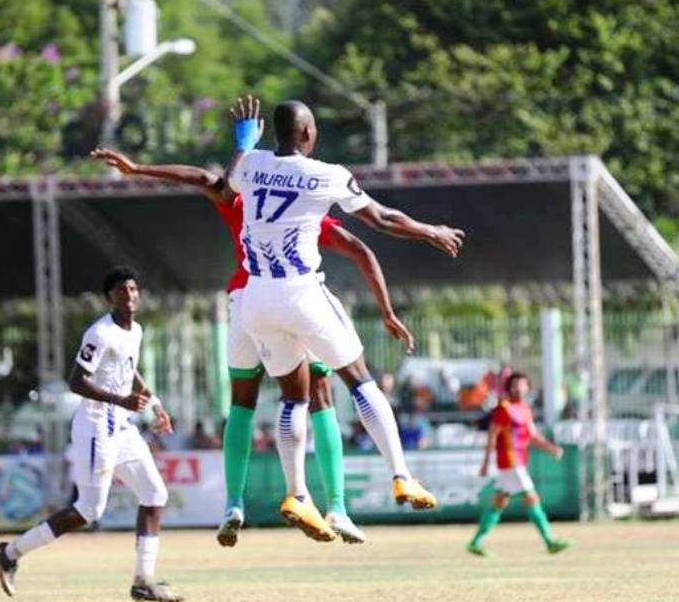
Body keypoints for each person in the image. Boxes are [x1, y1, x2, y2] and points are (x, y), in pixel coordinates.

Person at [91, 144, 418, 546]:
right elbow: (361, 247)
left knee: (242, 403)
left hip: (245, 305)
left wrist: (138, 168)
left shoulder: (240, 202)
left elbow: (201, 177)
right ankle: (336, 506)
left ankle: (233, 505)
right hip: (293, 300)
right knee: (319, 395)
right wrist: (389, 304)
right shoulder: (301, 207)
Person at [222, 95, 465, 541]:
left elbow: (229, 180)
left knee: (293, 397)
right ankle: (401, 474)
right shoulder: (328, 174)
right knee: (358, 379)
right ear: (307, 132)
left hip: (256, 299)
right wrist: (429, 230)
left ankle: (297, 494)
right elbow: (381, 219)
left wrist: (242, 143)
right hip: (301, 292)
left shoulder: (251, 164)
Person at [0, 267, 183, 602]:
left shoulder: (136, 330)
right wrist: (121, 400)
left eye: (133, 289)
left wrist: (155, 405)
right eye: (122, 290)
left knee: (155, 494)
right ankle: (10, 552)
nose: (129, 295)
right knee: (89, 510)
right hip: (96, 425)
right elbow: (76, 381)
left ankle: (143, 581)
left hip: (122, 426)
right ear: (110, 297)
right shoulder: (100, 333)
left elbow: (129, 369)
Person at [467, 372, 570, 557]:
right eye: (514, 385)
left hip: (518, 461)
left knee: (499, 502)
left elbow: (532, 436)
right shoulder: (504, 409)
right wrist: (485, 463)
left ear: (528, 388)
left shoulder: (524, 409)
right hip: (510, 461)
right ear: (509, 388)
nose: (517, 389)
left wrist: (550, 448)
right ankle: (550, 541)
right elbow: (492, 435)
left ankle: (476, 542)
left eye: (521, 385)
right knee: (531, 497)